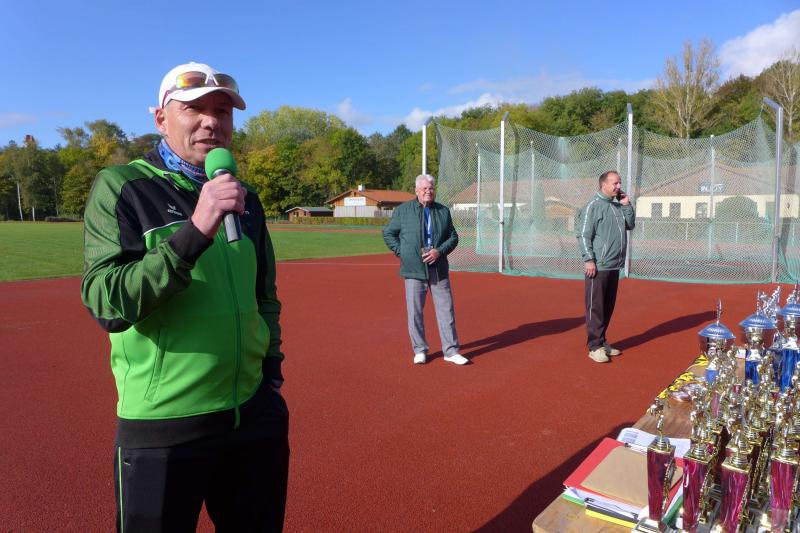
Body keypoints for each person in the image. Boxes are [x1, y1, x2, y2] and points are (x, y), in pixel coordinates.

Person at [81, 62, 289, 531]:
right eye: (194, 109)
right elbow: (106, 301)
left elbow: (265, 295)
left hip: (253, 417)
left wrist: (271, 370)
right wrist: (195, 230)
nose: (211, 122)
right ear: (161, 119)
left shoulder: (246, 198)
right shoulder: (123, 187)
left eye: (222, 111)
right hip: (165, 423)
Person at [383, 174, 468, 366]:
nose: (428, 191)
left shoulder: (443, 211)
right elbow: (388, 233)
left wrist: (439, 251)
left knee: (446, 310)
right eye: (424, 188)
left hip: (438, 269)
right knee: (415, 312)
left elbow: (453, 237)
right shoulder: (403, 211)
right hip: (414, 269)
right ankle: (420, 350)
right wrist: (402, 252)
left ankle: (451, 351)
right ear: (416, 191)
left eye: (431, 188)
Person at [577, 170, 636, 363]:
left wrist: (626, 205)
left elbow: (630, 224)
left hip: (613, 265)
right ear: (604, 185)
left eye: (619, 183)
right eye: (615, 183)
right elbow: (583, 235)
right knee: (596, 307)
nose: (619, 186)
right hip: (598, 265)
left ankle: (602, 342)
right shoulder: (592, 206)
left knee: (608, 306)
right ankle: (594, 347)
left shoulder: (617, 206)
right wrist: (589, 259)